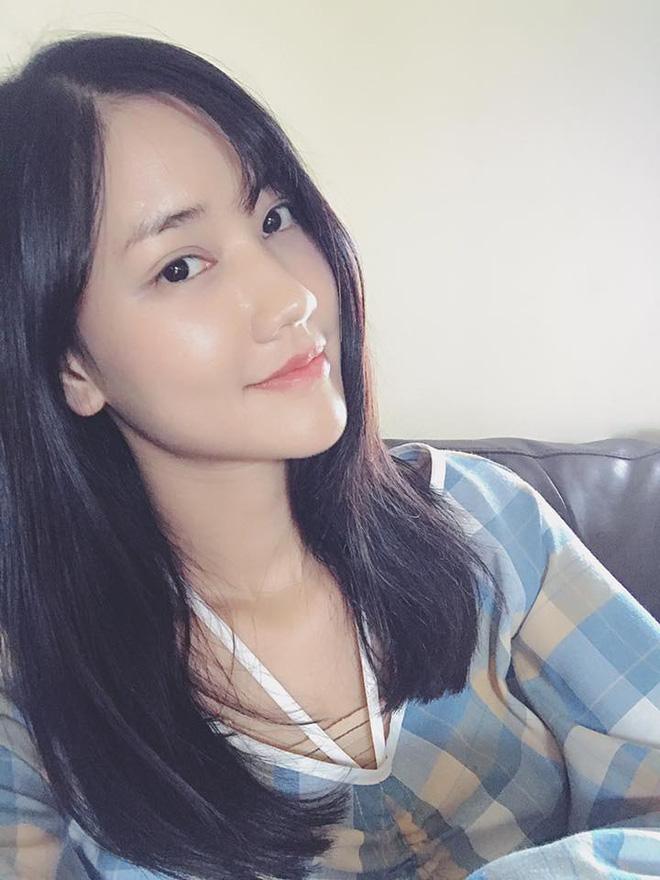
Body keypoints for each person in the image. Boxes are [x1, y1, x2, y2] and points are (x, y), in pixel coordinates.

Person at [0, 31, 657, 880]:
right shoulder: (30, 691)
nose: (292, 296)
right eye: (182, 267)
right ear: (73, 366)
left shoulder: (482, 520)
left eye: (275, 218)